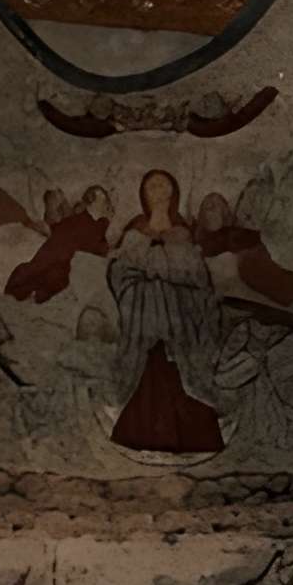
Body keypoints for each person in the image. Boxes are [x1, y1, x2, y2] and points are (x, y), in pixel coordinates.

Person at [104, 171, 226, 455]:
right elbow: (119, 272)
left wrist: (163, 266)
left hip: (178, 313)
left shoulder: (182, 233)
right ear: (143, 194)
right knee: (149, 369)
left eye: (163, 185)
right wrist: (146, 275)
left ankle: (194, 437)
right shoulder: (135, 231)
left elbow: (198, 276)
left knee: (180, 370)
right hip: (142, 312)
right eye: (151, 186)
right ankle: (141, 434)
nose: (158, 190)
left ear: (173, 192)